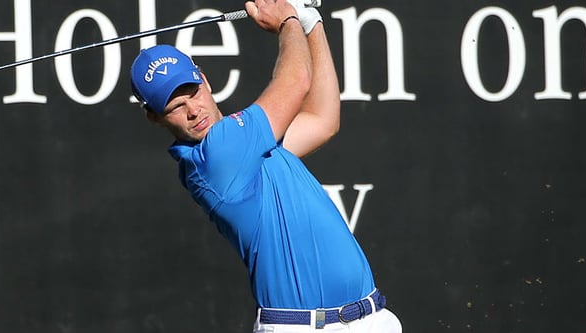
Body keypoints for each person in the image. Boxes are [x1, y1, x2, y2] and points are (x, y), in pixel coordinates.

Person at [129, 0, 402, 332]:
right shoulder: (216, 156)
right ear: (154, 117)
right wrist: (288, 18)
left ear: (205, 80)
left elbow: (322, 119)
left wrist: (310, 22)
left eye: (193, 91)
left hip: (370, 319)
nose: (193, 110)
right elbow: (297, 78)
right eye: (175, 105)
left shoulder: (250, 145)